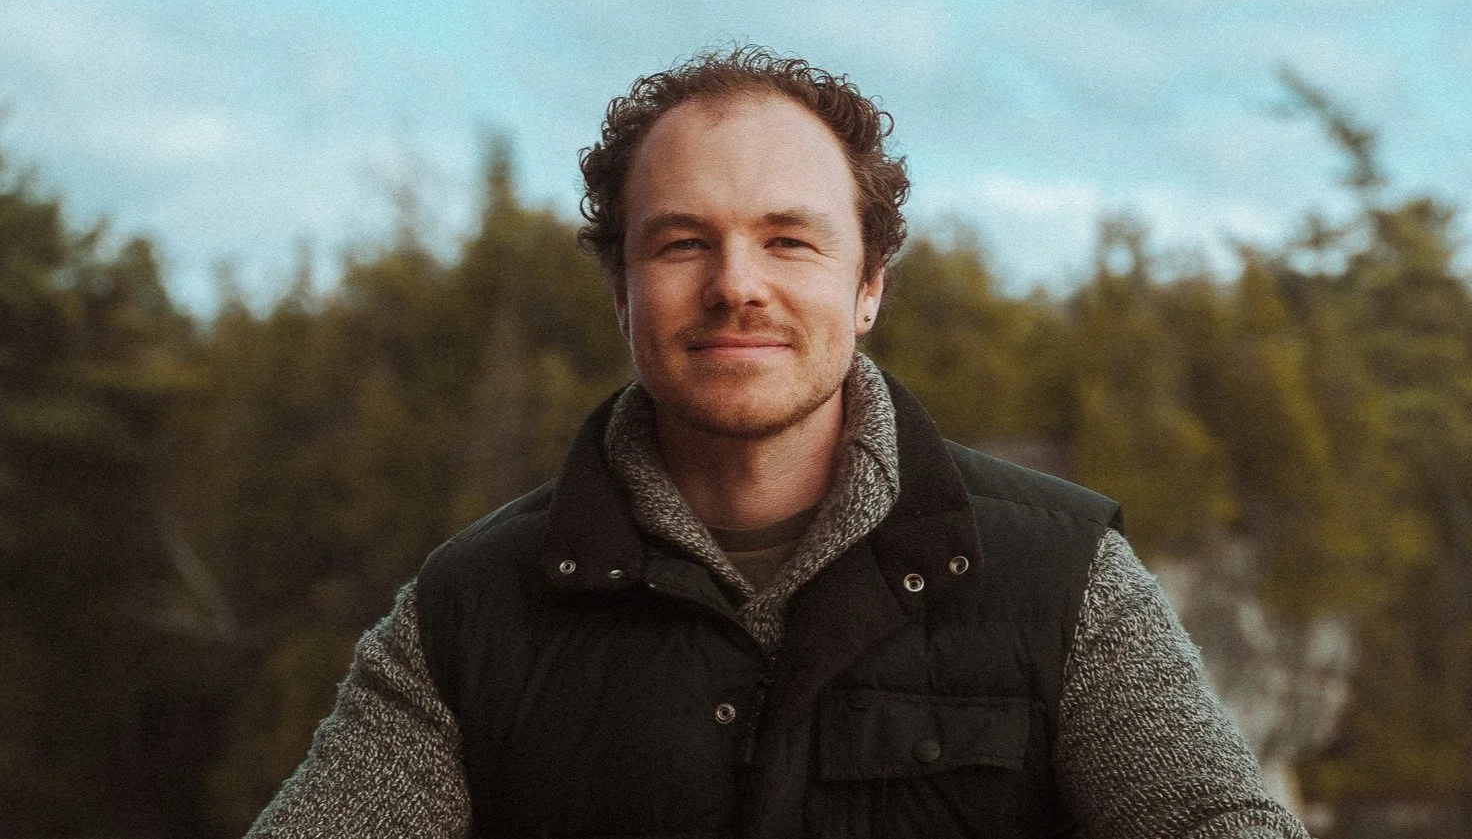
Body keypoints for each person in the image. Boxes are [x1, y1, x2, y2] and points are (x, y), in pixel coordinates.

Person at [247, 47, 1310, 839]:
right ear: (619, 288)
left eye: (787, 240)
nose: (735, 284)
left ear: (867, 287)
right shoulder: (469, 609)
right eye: (681, 242)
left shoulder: (1061, 575)